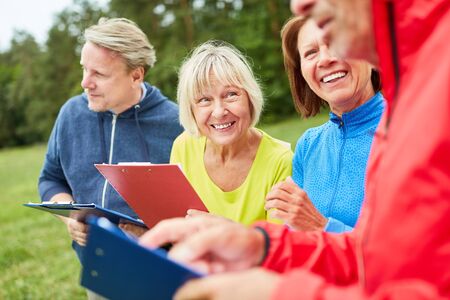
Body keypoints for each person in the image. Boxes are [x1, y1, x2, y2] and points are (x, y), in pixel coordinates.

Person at [140, 0, 450, 299]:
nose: (298, 5)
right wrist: (262, 245)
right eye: (310, 52)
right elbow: (373, 257)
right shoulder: (311, 145)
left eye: (329, 41)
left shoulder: (428, 103)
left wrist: (289, 274)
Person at [38, 18, 183, 263]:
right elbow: (51, 179)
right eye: (84, 68)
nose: (85, 82)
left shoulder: (177, 123)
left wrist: (154, 233)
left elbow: (198, 206)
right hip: (96, 264)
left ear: (136, 75)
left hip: (164, 266)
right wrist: (71, 216)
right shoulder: (71, 114)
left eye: (99, 73)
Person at [265, 16, 384, 233]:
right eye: (311, 53)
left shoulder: (406, 133)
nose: (325, 60)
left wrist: (322, 227)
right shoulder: (308, 145)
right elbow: (296, 240)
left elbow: (414, 251)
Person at [170, 41, 293, 224]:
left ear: (250, 98)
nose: (219, 112)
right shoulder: (183, 146)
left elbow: (280, 246)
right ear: (191, 109)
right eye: (204, 99)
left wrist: (220, 229)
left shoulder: (280, 161)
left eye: (230, 95)